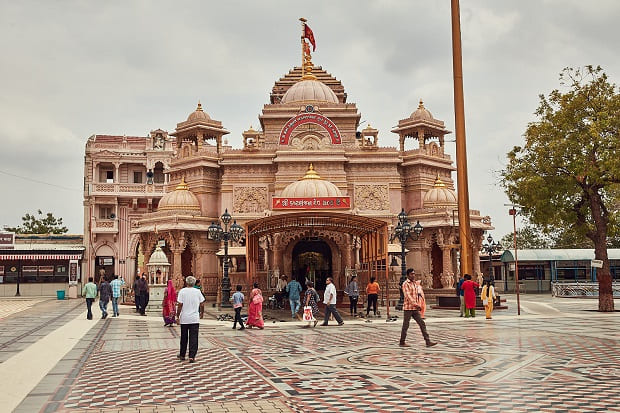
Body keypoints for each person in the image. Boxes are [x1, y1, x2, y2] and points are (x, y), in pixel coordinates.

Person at [399, 268, 437, 348]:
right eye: (412, 274)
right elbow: (408, 296)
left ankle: (428, 341)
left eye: (414, 274)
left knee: (422, 323)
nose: (413, 275)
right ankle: (402, 342)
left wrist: (419, 304)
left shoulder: (414, 283)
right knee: (406, 325)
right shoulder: (405, 284)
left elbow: (417, 295)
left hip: (415, 309)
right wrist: (416, 304)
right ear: (408, 275)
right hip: (408, 308)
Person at [176, 275, 205, 363]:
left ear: (186, 282)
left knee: (184, 337)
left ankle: (182, 354)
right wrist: (202, 313)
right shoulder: (197, 291)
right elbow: (202, 304)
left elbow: (180, 305)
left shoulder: (182, 291)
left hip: (185, 318)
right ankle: (192, 356)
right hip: (194, 318)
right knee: (194, 337)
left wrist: (178, 316)